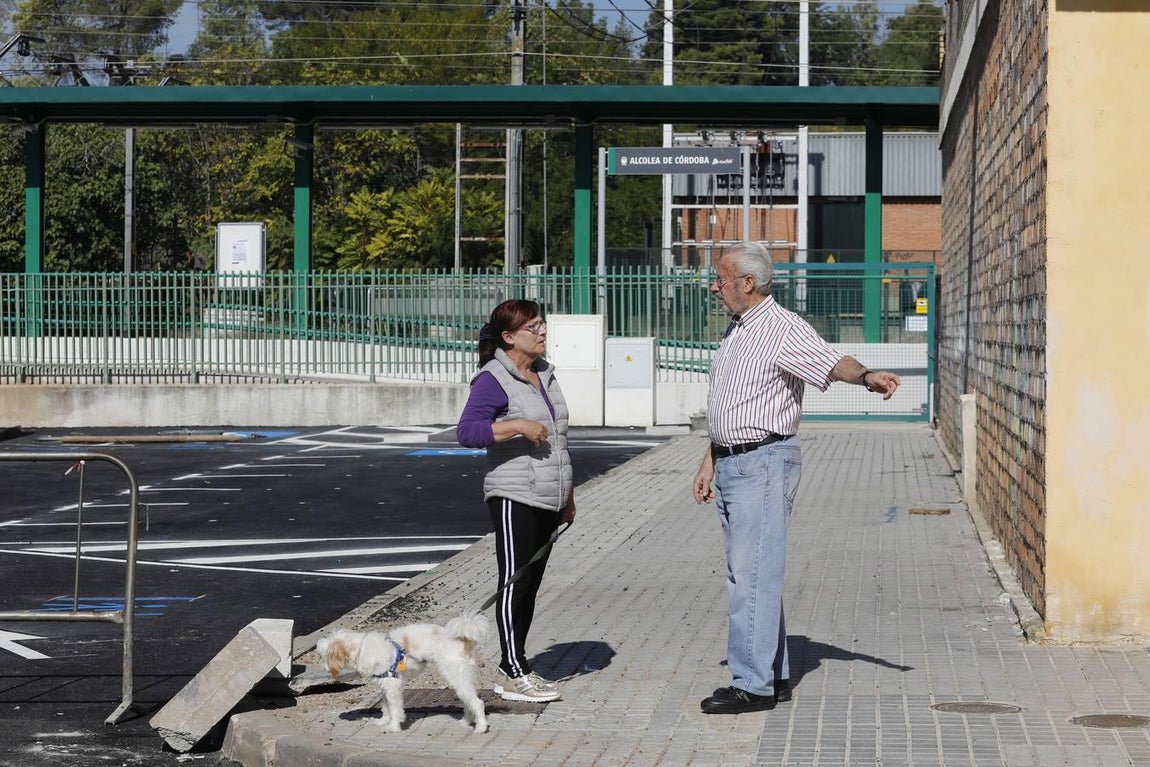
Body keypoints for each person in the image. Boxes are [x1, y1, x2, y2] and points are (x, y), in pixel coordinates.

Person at [693, 241, 900, 715]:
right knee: (751, 573)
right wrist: (710, 461)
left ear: (747, 282)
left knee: (751, 576)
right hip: (732, 462)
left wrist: (867, 377)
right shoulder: (737, 330)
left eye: (721, 279)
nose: (714, 287)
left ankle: (753, 686)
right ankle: (774, 674)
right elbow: (731, 405)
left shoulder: (780, 327)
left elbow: (829, 360)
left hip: (761, 462)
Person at [456, 299, 576, 703]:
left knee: (531, 585)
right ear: (509, 338)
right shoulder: (493, 379)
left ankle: (519, 662)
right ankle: (512, 670)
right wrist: (517, 426)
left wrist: (568, 496)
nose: (542, 332)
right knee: (513, 583)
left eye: (542, 325)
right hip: (513, 494)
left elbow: (559, 439)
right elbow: (468, 431)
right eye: (533, 327)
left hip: (547, 495)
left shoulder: (545, 374)